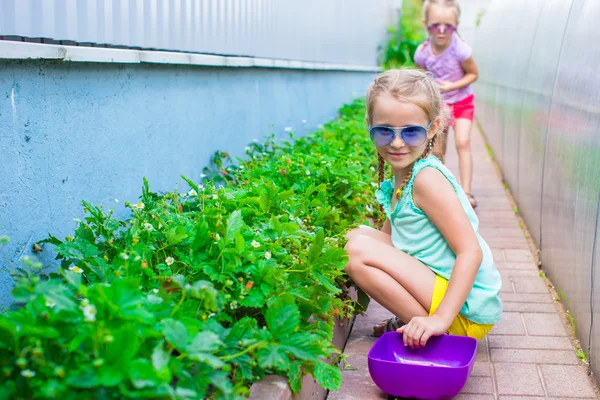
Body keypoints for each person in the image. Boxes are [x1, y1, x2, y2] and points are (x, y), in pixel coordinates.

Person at [345, 69, 501, 348]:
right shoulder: (404, 174)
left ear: (431, 128)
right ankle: (411, 320)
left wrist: (439, 318)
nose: (396, 142)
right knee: (354, 236)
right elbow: (395, 246)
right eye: (384, 130)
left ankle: (437, 335)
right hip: (441, 290)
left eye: (411, 132)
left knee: (355, 253)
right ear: (369, 124)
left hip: (464, 313)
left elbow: (470, 251)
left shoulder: (427, 178)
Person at [414, 0, 479, 208]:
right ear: (426, 24)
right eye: (435, 25)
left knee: (462, 142)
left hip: (462, 101)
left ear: (456, 25)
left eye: (448, 26)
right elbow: (422, 78)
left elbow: (473, 74)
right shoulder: (422, 53)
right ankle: (439, 192)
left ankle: (467, 193)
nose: (442, 31)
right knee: (437, 149)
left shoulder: (461, 50)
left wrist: (452, 86)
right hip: (440, 104)